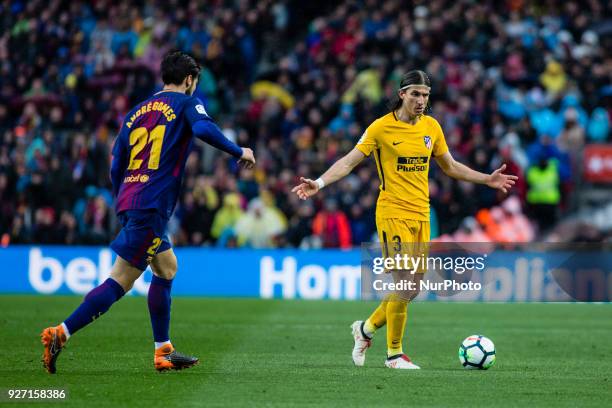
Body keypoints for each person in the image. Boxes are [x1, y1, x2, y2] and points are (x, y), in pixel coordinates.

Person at [40, 51, 256, 373]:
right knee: (121, 280)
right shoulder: (186, 103)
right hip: (152, 204)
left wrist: (122, 199)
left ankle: (163, 351)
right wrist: (239, 151)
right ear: (188, 80)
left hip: (132, 199)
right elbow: (203, 130)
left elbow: (116, 163)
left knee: (167, 267)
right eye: (193, 81)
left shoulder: (137, 111)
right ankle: (61, 332)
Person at [291, 70, 517, 369]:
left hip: (421, 214)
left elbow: (449, 166)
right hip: (392, 212)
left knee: (412, 288)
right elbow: (349, 161)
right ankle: (394, 355)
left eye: (425, 94)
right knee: (404, 282)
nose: (421, 100)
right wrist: (318, 183)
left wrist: (485, 179)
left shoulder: (432, 128)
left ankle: (365, 329)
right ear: (402, 94)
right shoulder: (380, 128)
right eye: (415, 94)